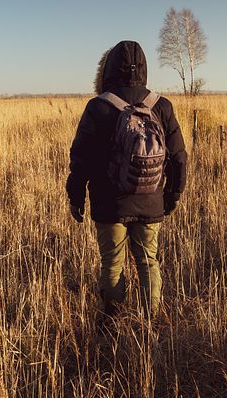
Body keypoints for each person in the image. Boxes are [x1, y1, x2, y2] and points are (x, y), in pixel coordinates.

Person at [66, 40, 187, 329]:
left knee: (112, 264)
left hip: (110, 204)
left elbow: (80, 158)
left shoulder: (98, 107)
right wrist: (173, 194)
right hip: (151, 199)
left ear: (108, 69)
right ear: (144, 68)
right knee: (148, 262)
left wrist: (76, 196)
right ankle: (151, 322)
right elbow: (179, 157)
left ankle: (110, 323)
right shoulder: (162, 106)